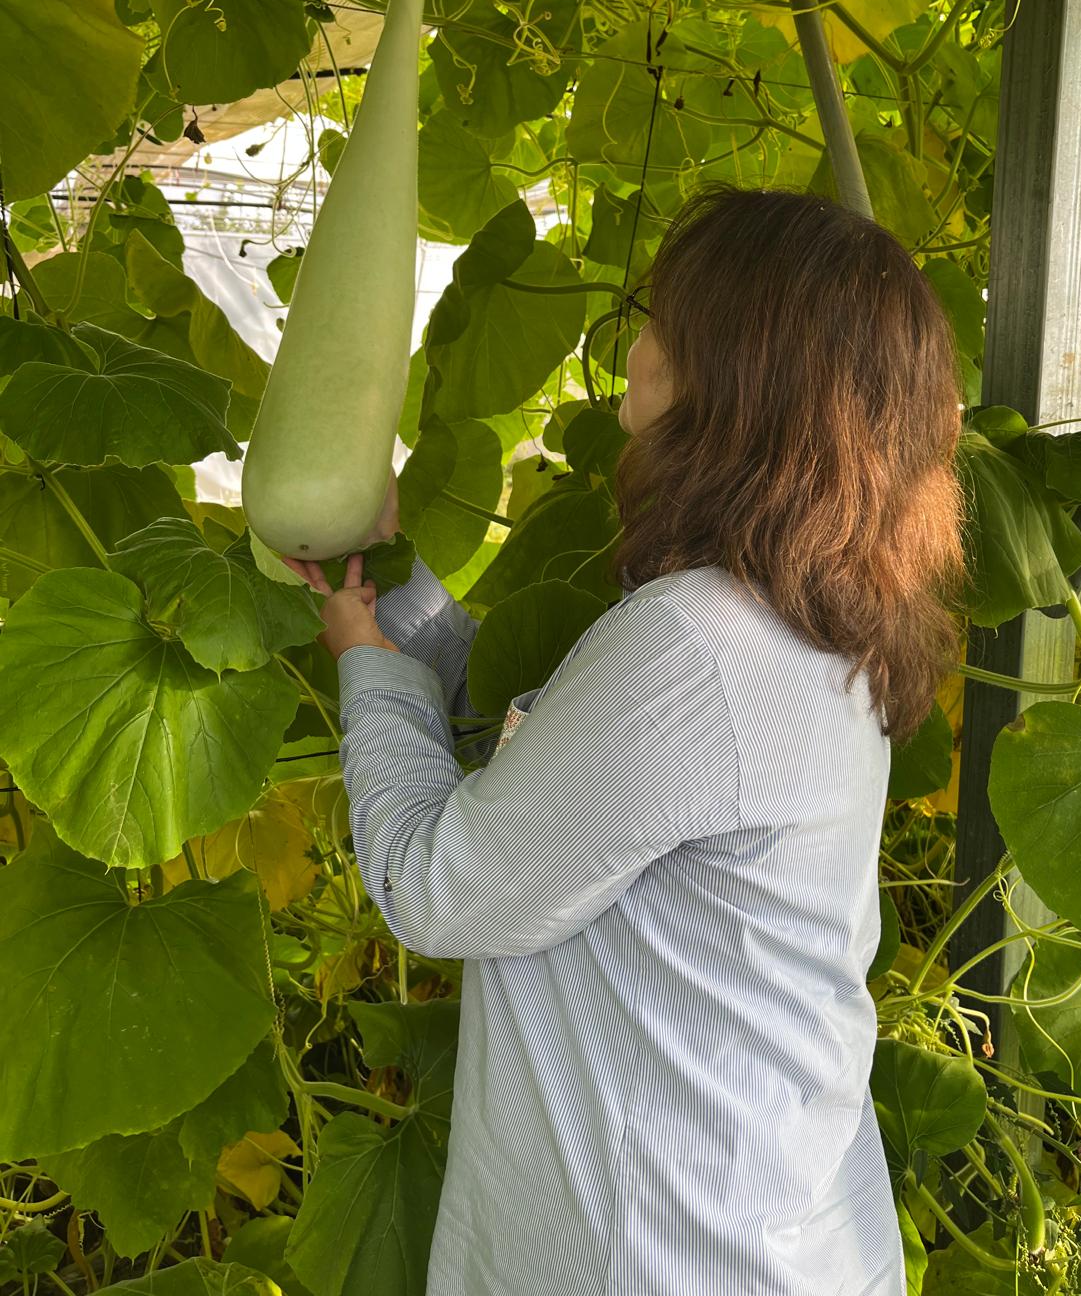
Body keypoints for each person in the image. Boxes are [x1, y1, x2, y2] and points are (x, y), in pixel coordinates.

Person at [283, 185, 966, 1296]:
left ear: (731, 373)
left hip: (660, 1253)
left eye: (665, 321)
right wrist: (395, 588)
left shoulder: (697, 645)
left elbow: (438, 885)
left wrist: (366, 668)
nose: (640, 344)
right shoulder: (808, 611)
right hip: (765, 1225)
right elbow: (575, 769)